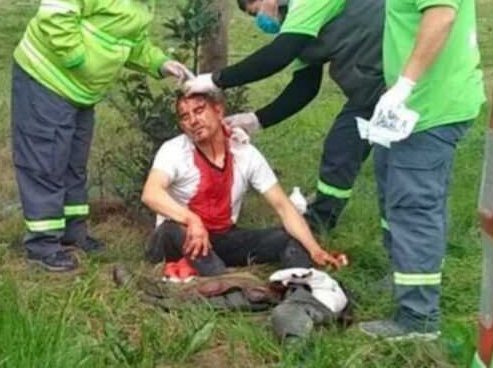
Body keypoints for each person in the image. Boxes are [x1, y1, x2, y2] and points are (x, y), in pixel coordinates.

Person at [11, 0, 191, 272]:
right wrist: (77, 59)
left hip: (82, 91)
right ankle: (43, 245)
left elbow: (132, 43)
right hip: (46, 77)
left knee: (72, 163)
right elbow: (56, 12)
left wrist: (160, 63)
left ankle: (72, 233)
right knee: (45, 161)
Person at [355, 0, 485, 340]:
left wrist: (406, 83)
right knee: (395, 190)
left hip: (431, 107)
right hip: (411, 109)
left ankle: (418, 318)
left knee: (414, 204)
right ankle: (405, 276)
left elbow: (441, 15)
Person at [184, 0, 388, 232]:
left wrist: (215, 80)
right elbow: (305, 86)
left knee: (397, 166)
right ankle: (318, 223)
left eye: (256, 12)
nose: (260, 22)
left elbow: (280, 54)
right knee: (341, 148)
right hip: (377, 84)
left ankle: (401, 236)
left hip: (411, 75)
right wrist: (257, 120)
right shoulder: (302, 19)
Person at [141, 92, 347, 278]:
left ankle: (302, 286)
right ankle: (225, 281)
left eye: (199, 110)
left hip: (221, 238)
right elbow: (151, 193)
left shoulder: (244, 153)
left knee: (287, 237)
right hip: (175, 239)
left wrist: (314, 249)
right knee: (174, 230)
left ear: (218, 111)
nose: (193, 121)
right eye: (185, 117)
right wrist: (192, 220)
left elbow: (283, 206)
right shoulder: (174, 150)